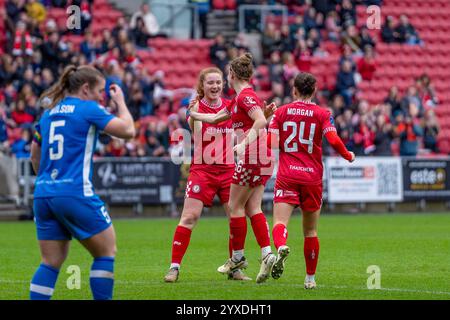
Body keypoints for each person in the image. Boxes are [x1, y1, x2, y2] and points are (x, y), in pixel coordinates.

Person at [29, 65, 135, 300]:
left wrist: (49, 181)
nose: (101, 97)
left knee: (50, 262)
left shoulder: (49, 113)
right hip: (74, 192)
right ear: (86, 89)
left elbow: (34, 154)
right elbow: (128, 130)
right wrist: (120, 102)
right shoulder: (88, 108)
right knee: (106, 252)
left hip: (43, 194)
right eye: (99, 91)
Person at [188, 53, 278, 283]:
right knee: (253, 207)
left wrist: (242, 145)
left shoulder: (245, 97)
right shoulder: (240, 99)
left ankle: (237, 257)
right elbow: (217, 119)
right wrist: (192, 113)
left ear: (232, 75)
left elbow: (260, 121)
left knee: (234, 206)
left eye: (227, 75)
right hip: (263, 158)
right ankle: (267, 253)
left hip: (252, 155)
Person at [267, 72, 355, 289]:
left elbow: (271, 143)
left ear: (294, 90)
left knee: (279, 223)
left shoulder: (281, 113)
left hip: (288, 175)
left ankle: (281, 247)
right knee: (310, 232)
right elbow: (333, 139)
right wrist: (348, 155)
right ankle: (310, 279)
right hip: (312, 177)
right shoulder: (322, 113)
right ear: (314, 90)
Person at [164, 67, 251, 282]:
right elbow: (198, 132)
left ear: (223, 84)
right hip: (203, 170)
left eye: (218, 82)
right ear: (202, 86)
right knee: (189, 217)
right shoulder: (194, 108)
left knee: (235, 217)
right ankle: (174, 268)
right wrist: (196, 115)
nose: (214, 86)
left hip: (228, 169)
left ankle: (235, 267)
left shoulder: (232, 106)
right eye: (210, 83)